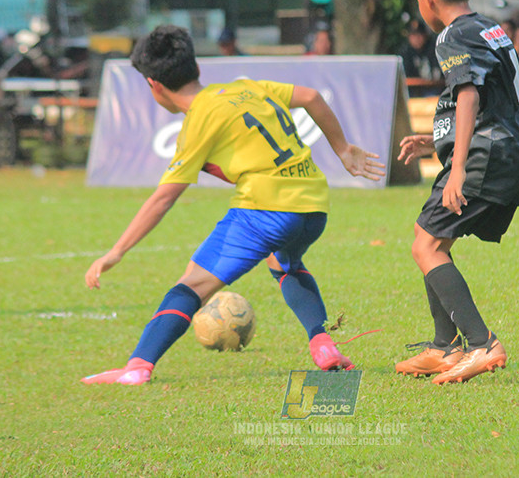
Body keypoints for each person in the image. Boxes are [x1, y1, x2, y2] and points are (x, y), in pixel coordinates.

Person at [81, 25, 385, 385]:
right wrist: (344, 151)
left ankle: (137, 368)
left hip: (265, 209)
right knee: (283, 261)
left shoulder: (199, 120)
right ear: (194, 65)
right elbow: (312, 96)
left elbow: (164, 197)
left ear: (154, 85)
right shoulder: (246, 87)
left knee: (191, 287)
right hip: (314, 204)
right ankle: (322, 343)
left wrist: (115, 252)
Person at [395, 0, 519, 384]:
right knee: (428, 236)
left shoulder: (450, 36)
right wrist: (437, 140)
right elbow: (488, 94)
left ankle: (482, 343)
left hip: (486, 154)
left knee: (427, 247)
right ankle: (444, 347)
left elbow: (471, 95)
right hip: (509, 148)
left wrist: (456, 166)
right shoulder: (488, 27)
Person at [398, 18, 443, 97]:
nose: (416, 39)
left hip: (436, 89)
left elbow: (438, 75)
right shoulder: (406, 52)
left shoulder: (434, 49)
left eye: (419, 35)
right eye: (413, 36)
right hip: (413, 90)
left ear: (425, 36)